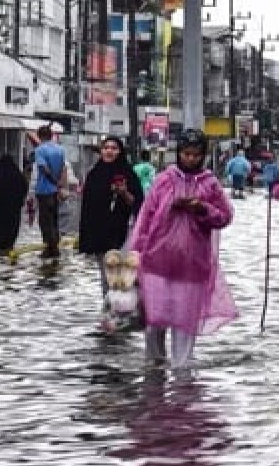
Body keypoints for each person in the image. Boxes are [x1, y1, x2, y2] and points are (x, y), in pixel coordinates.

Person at [128, 129, 237, 367]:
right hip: (156, 260)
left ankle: (182, 375)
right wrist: (136, 253)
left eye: (195, 155)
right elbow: (145, 217)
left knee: (184, 323)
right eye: (186, 154)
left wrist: (202, 209)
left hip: (192, 264)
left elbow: (225, 217)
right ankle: (154, 370)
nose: (190, 159)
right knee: (154, 321)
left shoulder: (211, 185)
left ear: (203, 156)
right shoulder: (164, 180)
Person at [78, 137, 145, 291]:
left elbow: (138, 204)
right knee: (106, 276)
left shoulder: (128, 173)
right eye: (106, 147)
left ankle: (127, 308)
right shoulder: (94, 174)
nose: (109, 151)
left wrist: (123, 192)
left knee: (125, 276)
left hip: (123, 232)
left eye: (114, 148)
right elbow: (88, 209)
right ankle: (109, 308)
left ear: (120, 151)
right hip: (100, 234)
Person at [33, 124, 68, 258]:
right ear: (51, 135)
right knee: (54, 219)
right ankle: (55, 246)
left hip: (44, 189)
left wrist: (54, 181)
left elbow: (43, 168)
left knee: (45, 221)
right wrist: (60, 185)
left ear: (40, 136)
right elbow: (63, 168)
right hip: (55, 191)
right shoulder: (60, 149)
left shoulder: (40, 150)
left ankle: (50, 248)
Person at [0, 154, 29, 252]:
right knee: (9, 236)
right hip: (13, 211)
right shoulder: (18, 176)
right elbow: (24, 189)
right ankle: (8, 247)